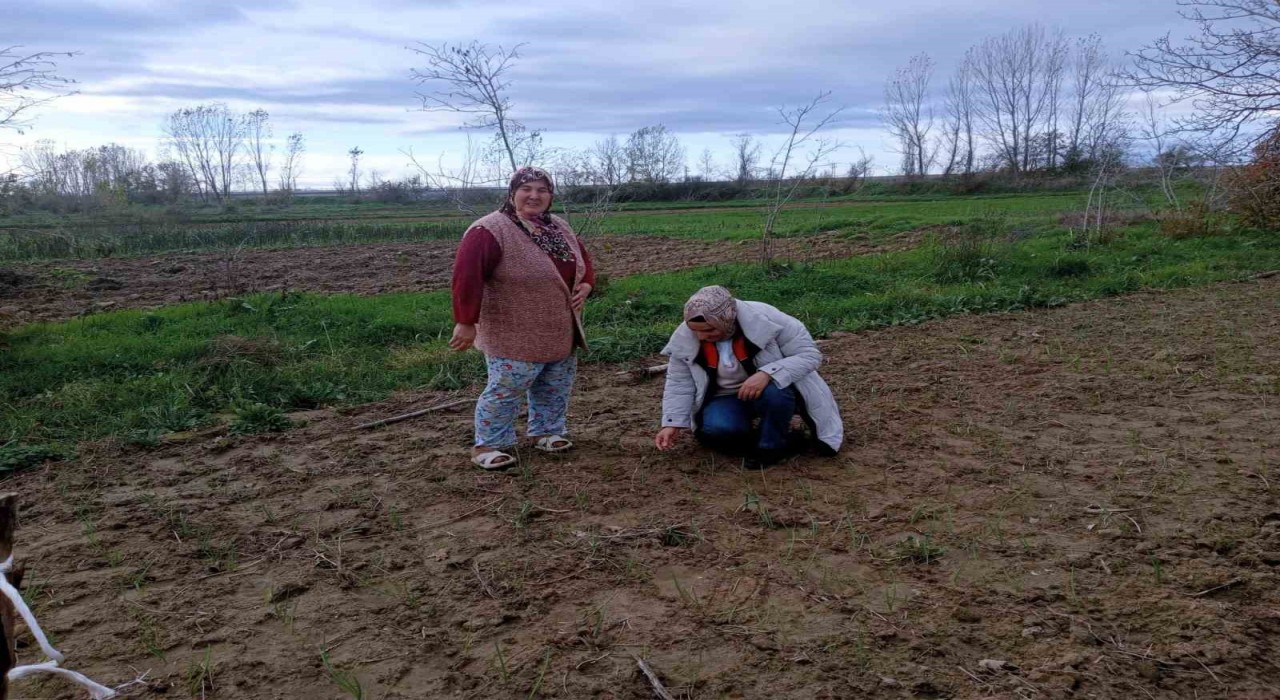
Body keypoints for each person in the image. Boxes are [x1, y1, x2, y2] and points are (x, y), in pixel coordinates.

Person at [450, 167, 595, 470]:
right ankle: (488, 443)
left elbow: (583, 262)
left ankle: (547, 431)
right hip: (513, 329)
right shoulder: (489, 230)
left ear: (550, 196)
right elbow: (467, 277)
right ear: (512, 192)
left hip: (560, 327)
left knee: (555, 383)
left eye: (542, 190)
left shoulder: (559, 227)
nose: (534, 195)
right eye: (527, 188)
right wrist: (466, 321)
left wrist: (586, 285)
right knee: (507, 387)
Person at [654, 286, 842, 467]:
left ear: (726, 319)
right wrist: (672, 423)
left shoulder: (767, 318)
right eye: (696, 331)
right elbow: (679, 383)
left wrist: (767, 374)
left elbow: (809, 355)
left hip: (770, 389)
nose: (701, 337)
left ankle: (772, 447)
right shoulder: (685, 337)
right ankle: (767, 436)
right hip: (725, 396)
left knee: (775, 394)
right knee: (718, 430)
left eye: (709, 330)